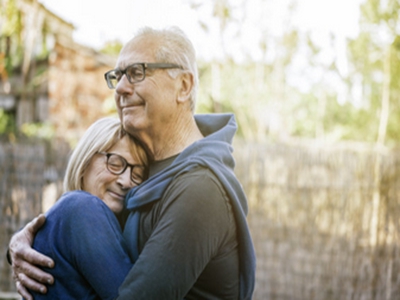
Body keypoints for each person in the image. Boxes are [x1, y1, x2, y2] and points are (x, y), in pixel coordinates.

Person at [9, 26, 256, 299]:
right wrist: (28, 240)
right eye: (118, 76)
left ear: (183, 86)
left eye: (137, 73)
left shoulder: (200, 189)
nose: (122, 88)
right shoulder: (151, 172)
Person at [26, 117, 148, 299]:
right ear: (85, 161)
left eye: (137, 174)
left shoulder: (67, 213)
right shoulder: (83, 208)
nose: (126, 181)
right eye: (115, 164)